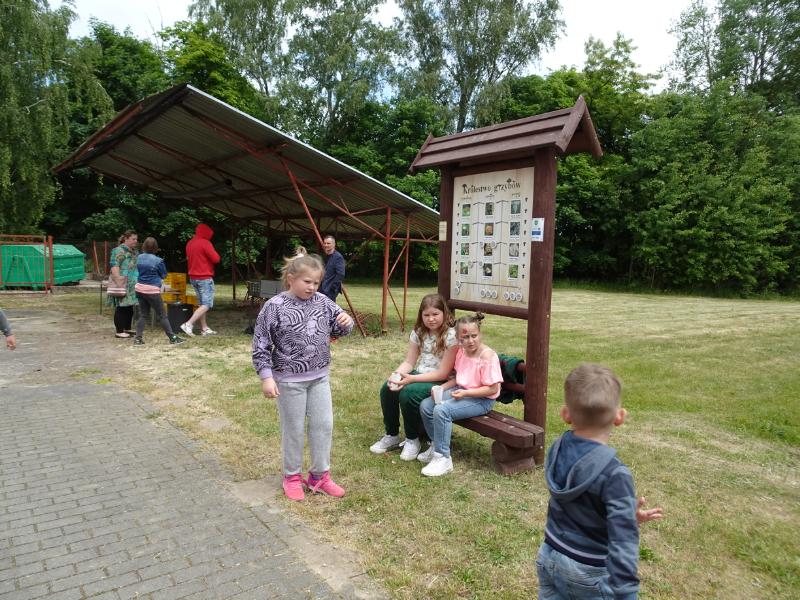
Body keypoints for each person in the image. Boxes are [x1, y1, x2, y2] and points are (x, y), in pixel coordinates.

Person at [536, 364, 664, 600]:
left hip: (550, 554)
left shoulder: (558, 448)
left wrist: (626, 517)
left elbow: (580, 503)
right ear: (620, 417)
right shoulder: (615, 474)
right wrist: (625, 593)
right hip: (588, 570)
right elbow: (623, 540)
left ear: (566, 414)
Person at [252, 252, 354, 501]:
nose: (312, 287)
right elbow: (261, 343)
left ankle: (320, 476)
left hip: (319, 377)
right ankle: (292, 477)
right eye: (307, 281)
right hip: (289, 380)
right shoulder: (274, 306)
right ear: (291, 279)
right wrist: (266, 377)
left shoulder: (323, 302)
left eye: (316, 282)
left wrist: (346, 322)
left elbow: (337, 328)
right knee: (294, 429)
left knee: (323, 426)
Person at [369, 293, 458, 461]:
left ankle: (412, 440)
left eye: (435, 314)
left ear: (444, 313)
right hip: (420, 374)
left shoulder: (451, 336)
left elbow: (443, 373)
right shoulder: (418, 332)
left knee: (408, 393)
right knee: (388, 388)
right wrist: (396, 375)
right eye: (426, 315)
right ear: (421, 315)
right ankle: (392, 435)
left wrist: (411, 379)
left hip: (440, 380)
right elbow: (409, 362)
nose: (431, 319)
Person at [418, 312, 503, 476]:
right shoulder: (462, 352)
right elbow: (459, 378)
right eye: (465, 337)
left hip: (482, 399)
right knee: (426, 406)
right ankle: (436, 445)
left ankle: (443, 458)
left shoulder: (487, 356)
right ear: (458, 338)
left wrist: (466, 394)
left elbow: (493, 389)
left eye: (474, 336)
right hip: (463, 391)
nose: (470, 341)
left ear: (480, 334)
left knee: (442, 410)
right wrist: (442, 388)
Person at [133, 237, 185, 346]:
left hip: (139, 288)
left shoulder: (139, 258)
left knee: (143, 315)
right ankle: (172, 338)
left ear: (144, 246)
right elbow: (164, 275)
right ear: (156, 248)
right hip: (152, 290)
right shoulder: (159, 261)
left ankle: (138, 339)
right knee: (162, 315)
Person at [181, 223, 221, 337]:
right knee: (207, 304)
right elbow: (216, 259)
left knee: (201, 304)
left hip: (193, 277)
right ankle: (188, 324)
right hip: (204, 277)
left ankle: (204, 328)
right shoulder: (205, 243)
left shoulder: (190, 243)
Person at [109, 230, 139, 338]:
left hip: (132, 283)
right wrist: (119, 281)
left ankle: (127, 328)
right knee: (121, 306)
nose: (135, 241)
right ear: (126, 239)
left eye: (136, 239)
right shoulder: (118, 250)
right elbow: (114, 266)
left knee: (129, 306)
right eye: (133, 239)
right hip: (123, 282)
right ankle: (119, 331)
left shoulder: (134, 251)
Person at [319, 235, 345, 302]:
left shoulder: (338, 257)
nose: (326, 245)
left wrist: (333, 288)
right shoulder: (324, 256)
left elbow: (340, 274)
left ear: (334, 244)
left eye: (328, 243)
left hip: (330, 290)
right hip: (320, 288)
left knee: (329, 307)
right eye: (325, 243)